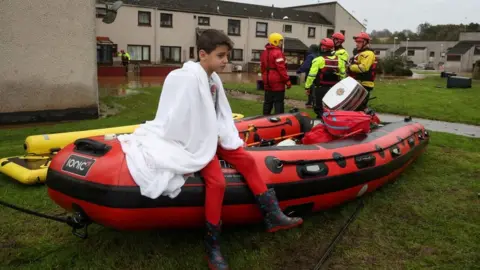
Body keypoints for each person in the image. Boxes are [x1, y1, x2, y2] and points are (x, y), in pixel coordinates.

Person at [117, 29, 303, 270]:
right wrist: (203, 142)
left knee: (246, 161)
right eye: (221, 55)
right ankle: (212, 245)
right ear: (202, 54)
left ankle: (273, 215)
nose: (226, 61)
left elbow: (218, 113)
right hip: (192, 141)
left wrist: (223, 137)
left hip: (212, 136)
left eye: (227, 55)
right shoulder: (185, 77)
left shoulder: (212, 78)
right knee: (217, 182)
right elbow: (179, 117)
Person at [304, 38, 346, 118]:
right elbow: (343, 75)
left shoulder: (318, 60)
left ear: (323, 48)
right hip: (334, 89)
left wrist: (307, 87)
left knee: (319, 109)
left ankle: (321, 123)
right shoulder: (340, 61)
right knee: (332, 108)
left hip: (320, 88)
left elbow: (311, 76)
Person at [260, 32, 292, 115]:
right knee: (278, 102)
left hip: (267, 79)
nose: (281, 43)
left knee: (267, 102)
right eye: (280, 41)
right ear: (275, 41)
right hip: (277, 80)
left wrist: (265, 78)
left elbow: (262, 67)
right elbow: (281, 69)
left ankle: (264, 119)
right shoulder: (278, 53)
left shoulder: (264, 52)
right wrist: (287, 81)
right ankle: (279, 120)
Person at [348, 32, 377, 110]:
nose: (357, 44)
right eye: (356, 42)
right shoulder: (361, 53)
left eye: (359, 42)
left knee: (358, 107)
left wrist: (350, 67)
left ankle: (367, 120)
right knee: (353, 107)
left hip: (364, 84)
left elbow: (363, 68)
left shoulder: (368, 54)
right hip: (357, 83)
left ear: (365, 42)